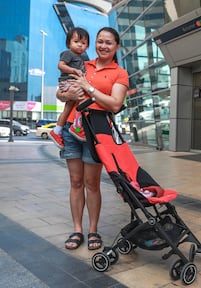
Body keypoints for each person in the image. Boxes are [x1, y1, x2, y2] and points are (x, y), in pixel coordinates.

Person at [56, 27, 129, 250]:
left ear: (116, 46)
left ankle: (93, 229)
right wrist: (66, 95)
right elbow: (61, 93)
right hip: (72, 129)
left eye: (108, 42)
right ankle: (77, 230)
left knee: (92, 184)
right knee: (76, 182)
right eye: (99, 42)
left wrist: (89, 88)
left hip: (96, 133)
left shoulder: (119, 73)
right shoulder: (82, 64)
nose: (103, 46)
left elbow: (115, 104)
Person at [50, 27, 90, 150]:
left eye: (83, 43)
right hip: (68, 82)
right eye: (76, 42)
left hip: (71, 82)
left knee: (68, 108)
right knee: (84, 96)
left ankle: (57, 131)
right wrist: (73, 70)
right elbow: (60, 65)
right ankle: (76, 127)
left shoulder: (81, 59)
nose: (80, 45)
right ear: (69, 43)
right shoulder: (69, 53)